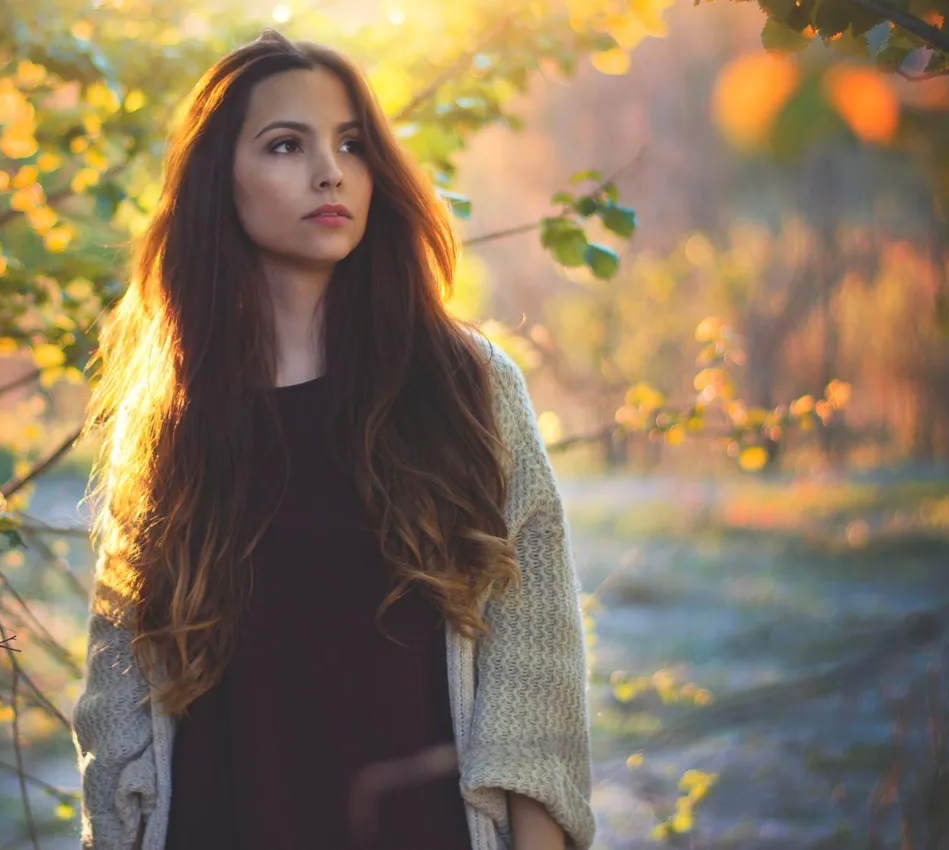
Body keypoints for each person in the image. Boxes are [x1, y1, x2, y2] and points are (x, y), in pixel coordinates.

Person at [71, 28, 594, 850]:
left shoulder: (468, 388)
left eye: (352, 144)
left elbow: (536, 676)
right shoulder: (172, 413)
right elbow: (118, 701)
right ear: (221, 183)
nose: (331, 171)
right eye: (286, 144)